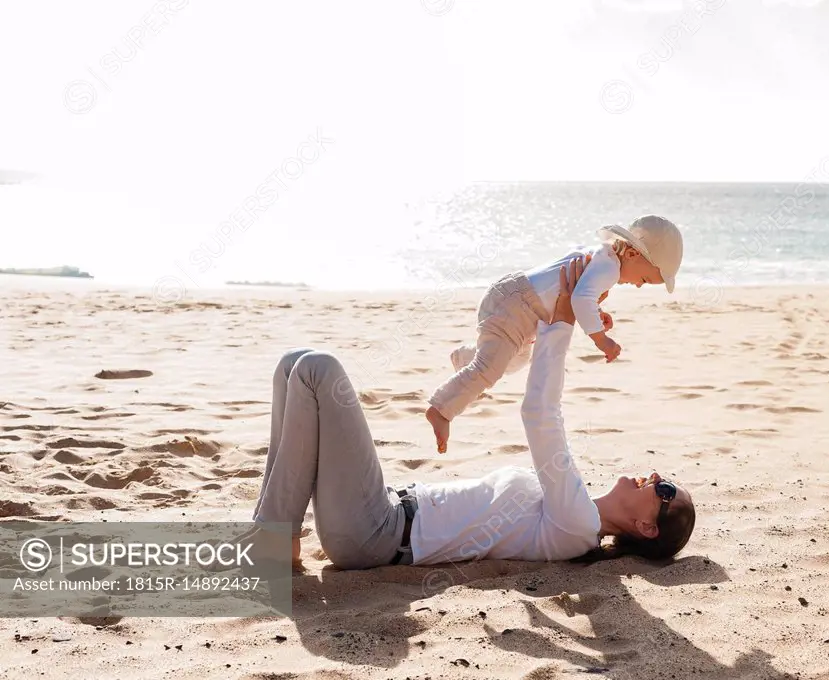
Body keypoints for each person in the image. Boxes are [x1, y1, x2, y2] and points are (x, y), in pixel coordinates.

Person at [249, 256, 695, 571]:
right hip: (383, 509)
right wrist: (555, 311)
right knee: (294, 363)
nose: (655, 476)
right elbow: (533, 388)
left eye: (666, 489)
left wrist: (562, 324)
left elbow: (540, 414)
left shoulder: (578, 525)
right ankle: (278, 538)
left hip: (379, 534)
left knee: (317, 368)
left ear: (646, 528)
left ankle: (272, 540)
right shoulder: (572, 511)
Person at [426, 215, 684, 453]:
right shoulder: (610, 269)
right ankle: (441, 410)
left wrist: (595, 311)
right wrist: (601, 339)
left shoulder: (603, 257)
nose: (638, 285)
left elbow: (579, 294)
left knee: (513, 361)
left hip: (517, 303)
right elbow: (580, 298)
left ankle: (465, 360)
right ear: (631, 253)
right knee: (490, 369)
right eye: (646, 279)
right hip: (518, 308)